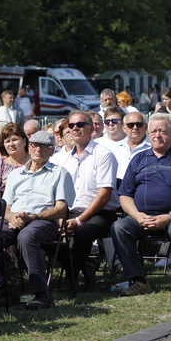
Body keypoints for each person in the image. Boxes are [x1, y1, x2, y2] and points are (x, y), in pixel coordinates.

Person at [110, 113, 171, 298]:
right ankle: (139, 280)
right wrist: (137, 216)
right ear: (148, 133)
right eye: (153, 131)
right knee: (119, 227)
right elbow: (125, 196)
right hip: (142, 217)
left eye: (162, 131)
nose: (157, 135)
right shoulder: (138, 159)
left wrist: (170, 216)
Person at [0, 130, 74, 309]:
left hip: (44, 220)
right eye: (34, 145)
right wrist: (12, 217)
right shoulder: (15, 174)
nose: (38, 149)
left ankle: (41, 294)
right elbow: (5, 207)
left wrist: (33, 217)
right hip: (16, 219)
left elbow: (61, 209)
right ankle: (7, 289)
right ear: (29, 146)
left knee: (27, 236)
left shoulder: (60, 173)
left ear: (52, 150)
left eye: (44, 146)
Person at [56, 112, 119, 291]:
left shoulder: (103, 154)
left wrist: (78, 221)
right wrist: (61, 216)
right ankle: (85, 265)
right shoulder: (64, 158)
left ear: (91, 129)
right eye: (71, 125)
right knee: (40, 232)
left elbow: (104, 194)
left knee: (82, 234)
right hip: (69, 212)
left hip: (100, 213)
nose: (75, 128)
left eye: (80, 124)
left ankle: (72, 278)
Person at [112, 111, 151, 182]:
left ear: (146, 127)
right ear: (124, 128)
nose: (135, 127)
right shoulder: (114, 149)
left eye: (139, 124)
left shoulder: (153, 148)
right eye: (131, 125)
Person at [0, 123, 31, 193]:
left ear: (24, 141)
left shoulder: (34, 161)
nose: (11, 144)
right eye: (7, 141)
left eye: (14, 139)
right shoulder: (0, 165)